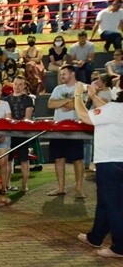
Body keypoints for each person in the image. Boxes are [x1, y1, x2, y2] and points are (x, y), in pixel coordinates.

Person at [73, 81, 123, 258]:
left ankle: (119, 247)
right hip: (117, 161)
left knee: (114, 206)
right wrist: (93, 97)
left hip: (110, 163)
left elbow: (84, 116)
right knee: (105, 201)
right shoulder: (115, 109)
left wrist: (78, 94)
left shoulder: (115, 109)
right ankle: (95, 236)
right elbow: (106, 110)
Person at [47, 65, 85, 198]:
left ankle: (79, 189)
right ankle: (61, 188)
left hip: (75, 129)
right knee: (58, 158)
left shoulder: (81, 87)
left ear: (72, 74)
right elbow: (50, 104)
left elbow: (77, 105)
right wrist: (69, 100)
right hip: (58, 129)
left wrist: (62, 102)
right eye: (60, 74)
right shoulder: (58, 89)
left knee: (77, 159)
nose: (61, 76)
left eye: (64, 73)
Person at [5, 75, 35, 192]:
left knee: (24, 159)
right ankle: (7, 184)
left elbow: (27, 118)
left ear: (24, 86)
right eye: (16, 84)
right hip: (10, 134)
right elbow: (6, 118)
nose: (17, 87)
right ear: (12, 84)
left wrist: (16, 124)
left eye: (20, 84)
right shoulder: (6, 100)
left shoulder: (28, 100)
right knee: (8, 160)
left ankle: (24, 185)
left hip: (23, 133)